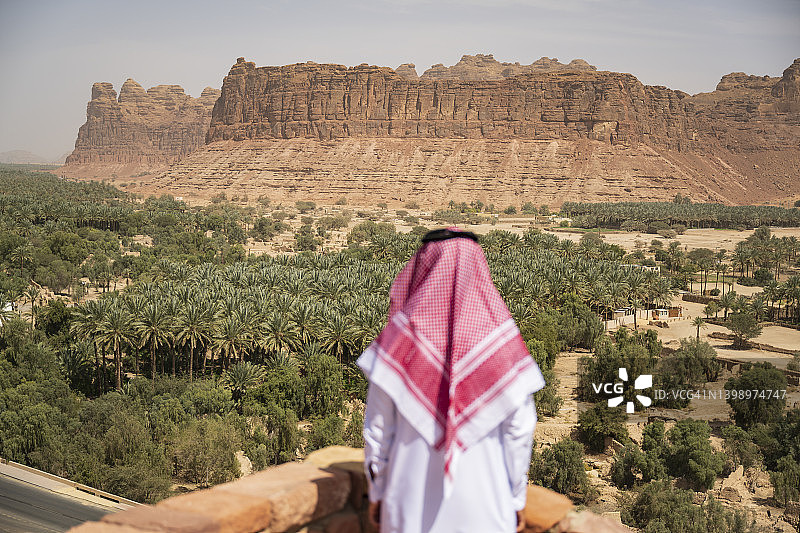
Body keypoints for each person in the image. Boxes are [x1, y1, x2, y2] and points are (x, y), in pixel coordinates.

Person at [358, 228, 545, 533]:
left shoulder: (398, 347)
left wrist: (377, 492)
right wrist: (516, 498)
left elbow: (378, 430)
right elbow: (520, 433)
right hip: (487, 509)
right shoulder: (502, 349)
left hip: (408, 508)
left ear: (424, 268)